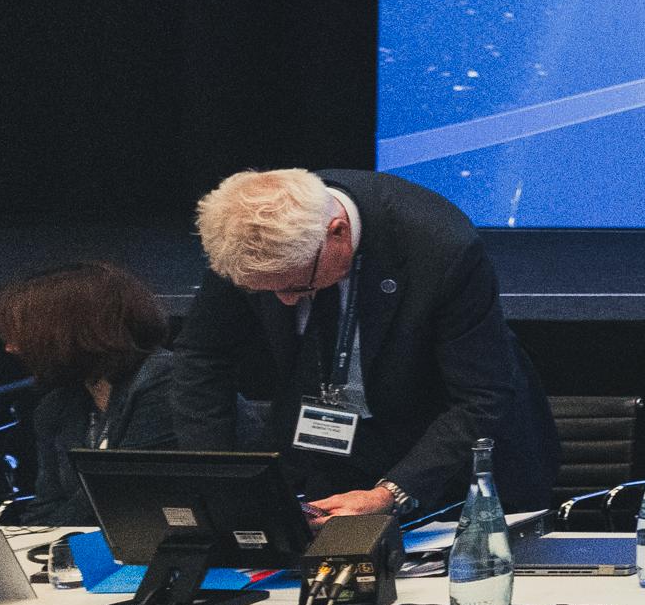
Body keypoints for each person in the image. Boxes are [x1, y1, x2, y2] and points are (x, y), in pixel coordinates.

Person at [173, 167, 559, 519]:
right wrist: (215, 479)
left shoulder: (440, 247)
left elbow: (482, 396)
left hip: (442, 463)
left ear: (337, 232)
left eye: (297, 287)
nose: (285, 302)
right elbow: (201, 357)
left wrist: (392, 492)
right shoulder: (248, 241)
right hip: (325, 453)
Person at [0, 260, 195, 526]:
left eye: (24, 332)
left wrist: (46, 538)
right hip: (101, 544)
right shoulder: (57, 405)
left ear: (72, 331)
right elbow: (47, 503)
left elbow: (119, 496)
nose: (10, 347)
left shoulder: (164, 381)